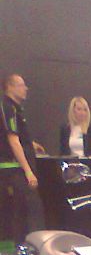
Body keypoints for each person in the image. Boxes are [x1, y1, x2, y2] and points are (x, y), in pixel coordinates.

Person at [0, 72, 45, 244]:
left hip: (17, 167)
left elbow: (14, 136)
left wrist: (31, 144)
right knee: (32, 210)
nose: (25, 88)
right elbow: (12, 139)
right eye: (21, 85)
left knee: (21, 211)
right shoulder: (8, 108)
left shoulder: (16, 109)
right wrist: (28, 171)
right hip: (14, 169)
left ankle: (23, 247)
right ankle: (34, 247)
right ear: (10, 87)